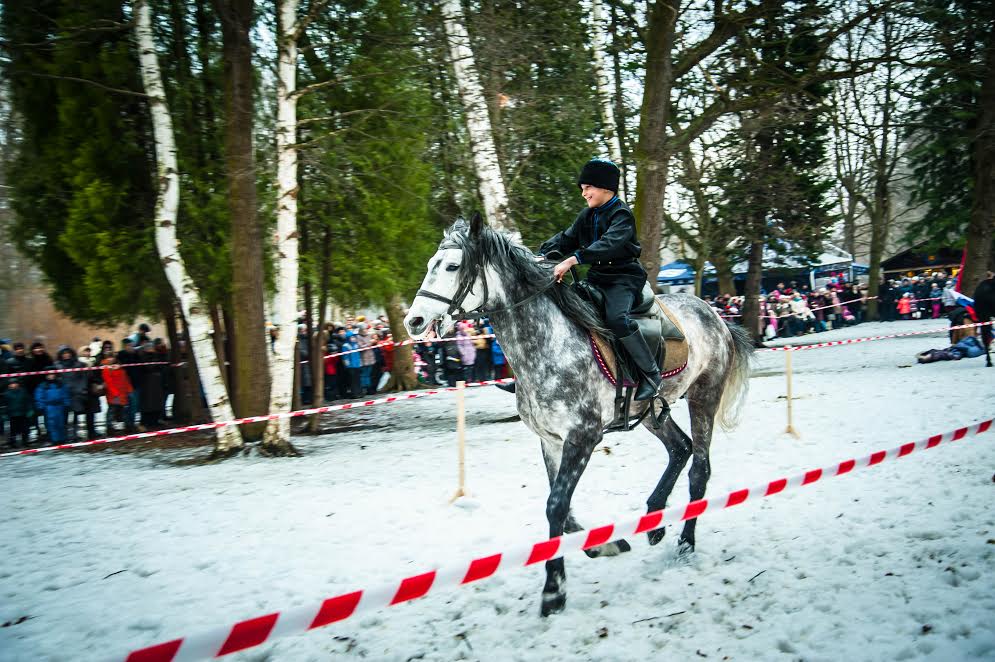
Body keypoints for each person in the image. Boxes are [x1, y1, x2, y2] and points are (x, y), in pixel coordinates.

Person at [539, 158, 661, 401]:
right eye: (583, 189)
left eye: (588, 188)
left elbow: (609, 244)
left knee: (617, 319)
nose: (584, 193)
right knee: (562, 310)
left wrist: (573, 259)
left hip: (623, 279)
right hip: (597, 278)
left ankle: (651, 375)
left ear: (606, 187)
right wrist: (541, 255)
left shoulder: (622, 214)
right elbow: (566, 239)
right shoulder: (587, 215)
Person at [34, 373, 70, 444]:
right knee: (51, 424)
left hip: (60, 406)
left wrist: (66, 403)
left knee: (61, 423)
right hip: (49, 407)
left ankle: (62, 439)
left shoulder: (60, 384)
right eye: (49, 375)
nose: (51, 376)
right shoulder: (42, 385)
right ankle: (55, 440)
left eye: (52, 374)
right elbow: (39, 397)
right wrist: (41, 406)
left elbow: (65, 394)